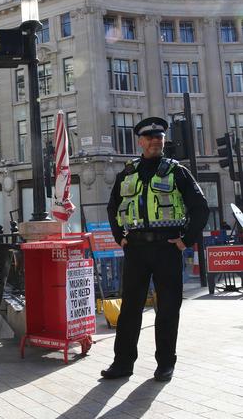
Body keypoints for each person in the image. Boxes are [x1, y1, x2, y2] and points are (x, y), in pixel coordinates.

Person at [104, 117, 209, 381]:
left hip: (167, 248)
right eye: (150, 138)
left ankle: (165, 364)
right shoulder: (128, 172)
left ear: (164, 141)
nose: (155, 141)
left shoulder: (177, 171)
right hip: (136, 249)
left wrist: (186, 239)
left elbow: (200, 208)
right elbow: (113, 206)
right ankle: (123, 363)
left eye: (159, 138)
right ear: (140, 141)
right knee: (130, 309)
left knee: (168, 308)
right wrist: (120, 237)